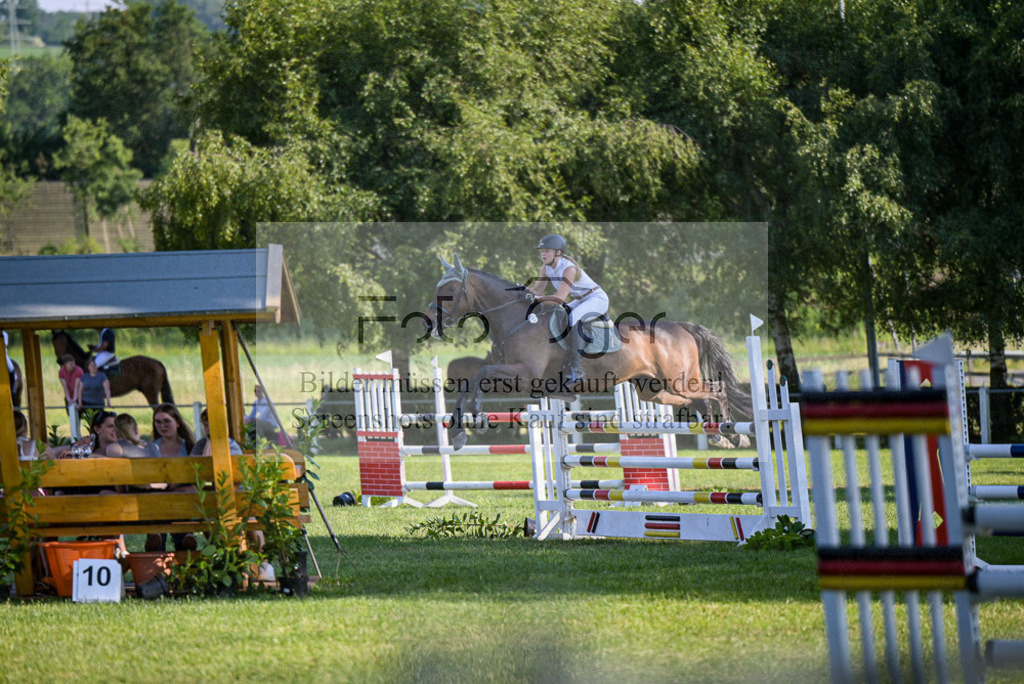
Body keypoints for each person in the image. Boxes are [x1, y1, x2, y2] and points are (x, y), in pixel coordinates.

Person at [526, 233, 609, 384]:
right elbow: (537, 290)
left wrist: (536, 300)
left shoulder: (569, 269)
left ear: (558, 252)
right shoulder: (546, 268)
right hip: (581, 299)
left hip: (596, 298)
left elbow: (559, 299)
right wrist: (522, 291)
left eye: (547, 251)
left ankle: (577, 369)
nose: (543, 254)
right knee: (555, 317)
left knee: (571, 318)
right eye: (542, 251)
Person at [148, 403, 198, 552]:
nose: (162, 426)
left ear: (177, 422)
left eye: (166, 421)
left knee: (180, 500)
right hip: (159, 498)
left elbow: (197, 479)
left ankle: (185, 544)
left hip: (183, 499)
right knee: (158, 503)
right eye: (158, 422)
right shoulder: (152, 447)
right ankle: (157, 546)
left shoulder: (189, 446)